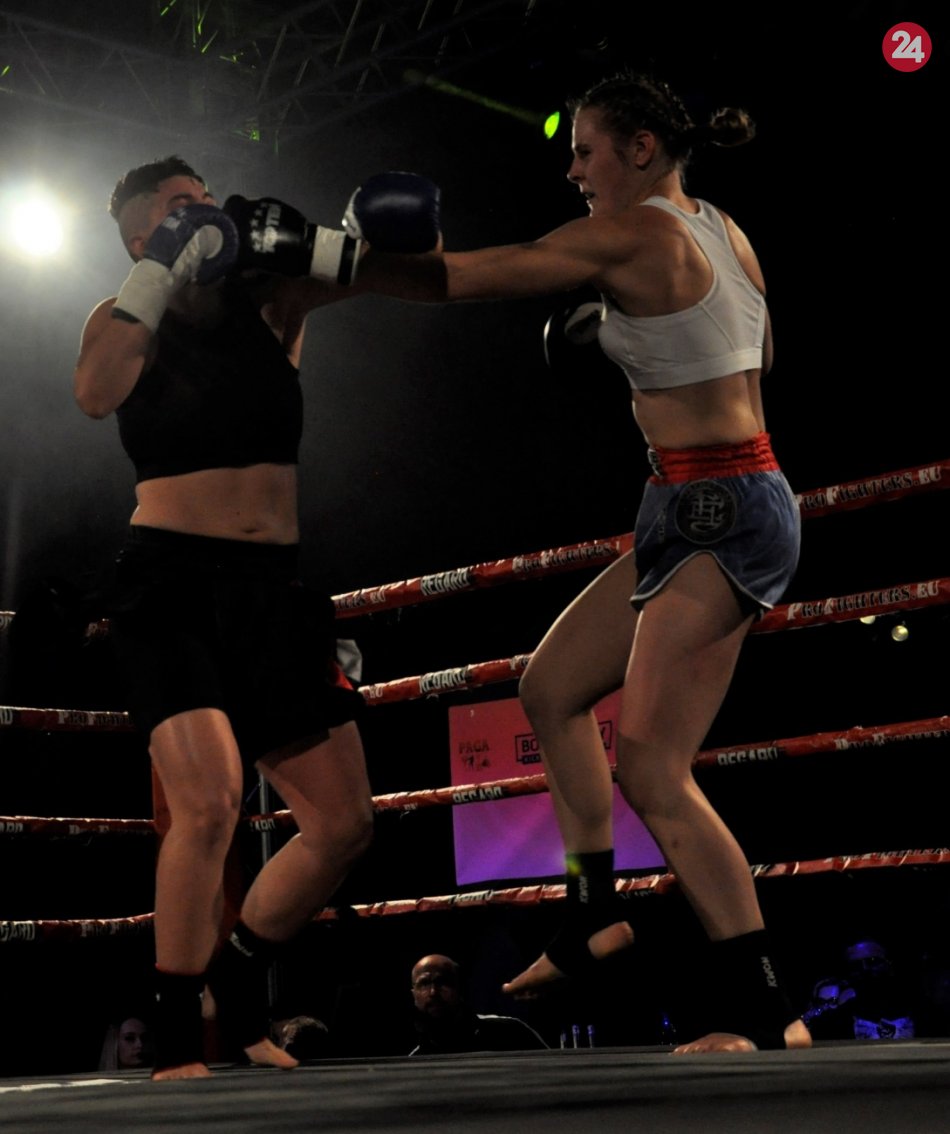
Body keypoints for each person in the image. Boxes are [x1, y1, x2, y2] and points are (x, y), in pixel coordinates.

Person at [365, 72, 809, 1053]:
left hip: (723, 507)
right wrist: (624, 333)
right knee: (551, 687)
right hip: (692, 500)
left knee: (653, 768)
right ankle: (592, 912)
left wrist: (329, 259)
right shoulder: (722, 229)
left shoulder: (634, 233)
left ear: (639, 149)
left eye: (585, 150)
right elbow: (760, 355)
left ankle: (767, 1011)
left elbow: (463, 278)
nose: (571, 170)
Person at [73, 157, 438, 1079]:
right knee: (207, 805)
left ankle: (237, 986)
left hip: (273, 591)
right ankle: (171, 1031)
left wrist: (374, 229)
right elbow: (95, 392)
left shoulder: (271, 299)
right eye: (175, 207)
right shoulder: (122, 316)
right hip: (168, 587)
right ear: (138, 235)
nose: (201, 212)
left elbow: (407, 271)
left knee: (344, 824)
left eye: (203, 198)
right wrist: (157, 268)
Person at [408, 954, 548, 1055]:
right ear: (414, 995)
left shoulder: (511, 1032)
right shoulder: (417, 1059)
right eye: (424, 984)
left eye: (443, 982)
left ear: (460, 988)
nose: (433, 992)